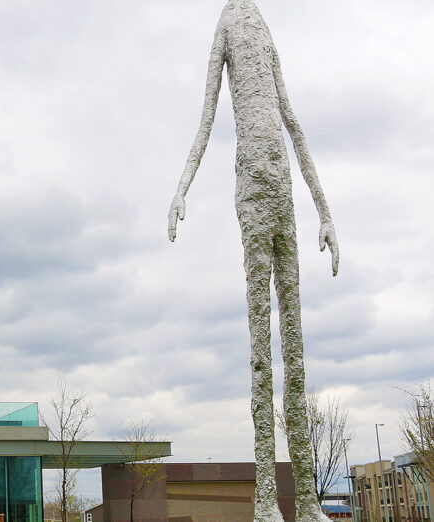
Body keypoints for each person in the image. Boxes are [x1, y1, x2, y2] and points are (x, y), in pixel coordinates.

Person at [167, 1, 338, 520]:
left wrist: (325, 212)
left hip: (283, 195)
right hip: (253, 196)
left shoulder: (262, 26)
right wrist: (180, 191)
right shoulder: (226, 26)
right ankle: (266, 500)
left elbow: (293, 120)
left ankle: (305, 501)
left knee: (298, 355)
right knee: (262, 352)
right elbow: (205, 120)